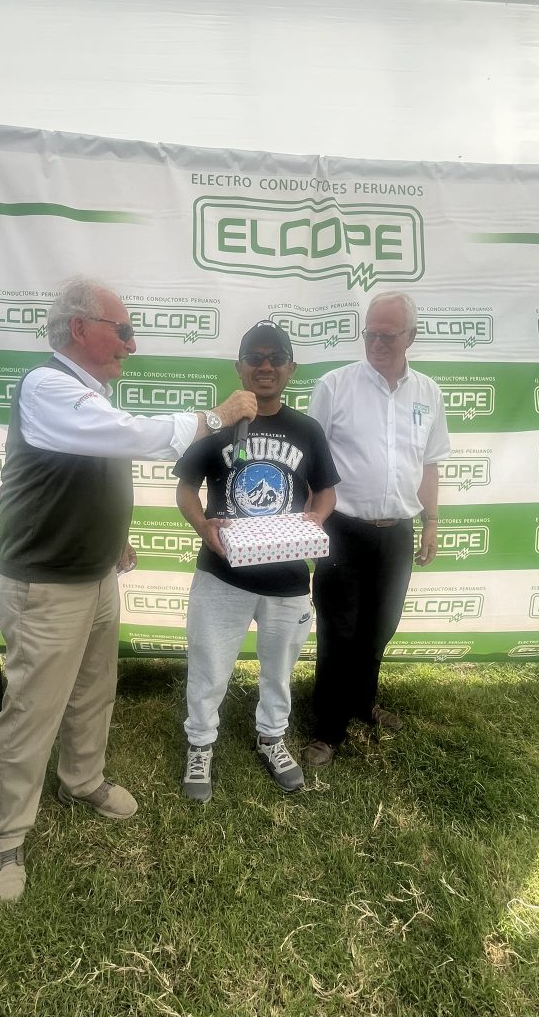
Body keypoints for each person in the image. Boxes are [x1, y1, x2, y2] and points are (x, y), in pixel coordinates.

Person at [0, 278, 256, 904]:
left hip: (93, 574)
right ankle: (2, 838)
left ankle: (81, 781)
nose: (131, 346)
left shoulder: (90, 396)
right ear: (80, 328)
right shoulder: (46, 386)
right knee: (31, 712)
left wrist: (113, 539)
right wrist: (215, 418)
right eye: (123, 331)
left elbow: (88, 471)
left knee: (93, 691)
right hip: (46, 585)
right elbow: (129, 437)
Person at [174, 320, 339, 802]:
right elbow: (185, 489)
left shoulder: (307, 429)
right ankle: (200, 743)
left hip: (288, 575)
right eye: (255, 357)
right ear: (239, 366)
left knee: (279, 670)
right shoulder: (217, 424)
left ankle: (272, 737)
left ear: (291, 368)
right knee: (209, 665)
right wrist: (203, 527)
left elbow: (326, 491)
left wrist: (316, 518)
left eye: (276, 357)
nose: (265, 366)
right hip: (222, 573)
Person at [303, 291, 451, 767]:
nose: (376, 344)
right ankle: (328, 728)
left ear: (411, 336)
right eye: (369, 334)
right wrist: (310, 524)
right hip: (343, 531)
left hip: (398, 533)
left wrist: (430, 522)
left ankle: (363, 702)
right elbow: (310, 460)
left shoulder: (428, 393)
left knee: (380, 627)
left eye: (387, 336)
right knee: (338, 630)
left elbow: (429, 463)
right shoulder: (334, 386)